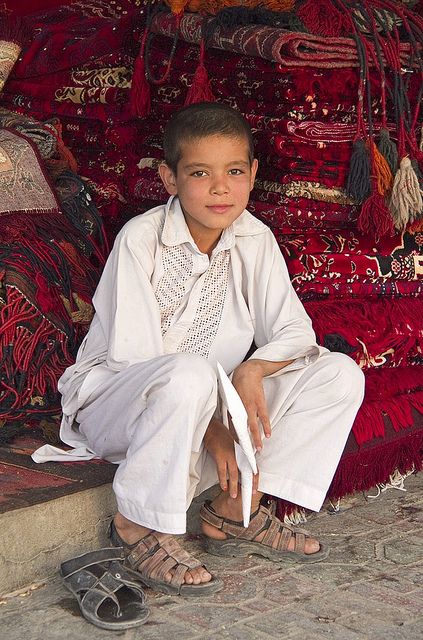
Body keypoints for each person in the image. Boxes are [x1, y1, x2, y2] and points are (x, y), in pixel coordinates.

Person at [57, 102, 365, 596]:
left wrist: (252, 371)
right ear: (169, 178)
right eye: (201, 172)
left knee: (339, 373)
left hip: (211, 401)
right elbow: (135, 360)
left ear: (253, 175)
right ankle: (137, 526)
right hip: (118, 403)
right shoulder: (141, 239)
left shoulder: (254, 238)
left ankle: (235, 507)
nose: (220, 187)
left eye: (234, 171)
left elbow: (294, 330)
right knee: (188, 374)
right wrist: (214, 425)